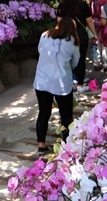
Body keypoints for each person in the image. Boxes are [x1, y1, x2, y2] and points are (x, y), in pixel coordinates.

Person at [34, 17, 80, 155]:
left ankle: (41, 145)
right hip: (62, 83)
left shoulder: (44, 35)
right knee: (66, 115)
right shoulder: (73, 42)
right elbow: (75, 61)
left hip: (42, 81)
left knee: (43, 113)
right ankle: (66, 145)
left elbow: (40, 51)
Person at [56, 0, 95, 91]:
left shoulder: (63, 4)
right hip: (80, 34)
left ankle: (70, 82)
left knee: (67, 59)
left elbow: (59, 21)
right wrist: (95, 34)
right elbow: (89, 20)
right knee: (81, 59)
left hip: (66, 35)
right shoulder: (82, 4)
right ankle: (80, 84)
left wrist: (58, 33)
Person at [90, 0, 107, 71]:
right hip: (104, 22)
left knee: (95, 42)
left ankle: (96, 63)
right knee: (105, 43)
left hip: (93, 22)